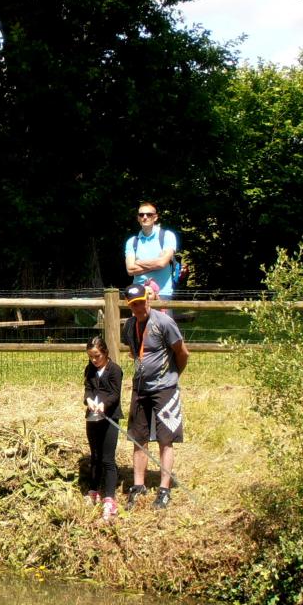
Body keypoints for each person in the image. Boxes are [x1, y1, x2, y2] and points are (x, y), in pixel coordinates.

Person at [121, 284, 188, 510]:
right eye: (133, 305)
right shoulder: (129, 326)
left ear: (148, 299)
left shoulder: (164, 322)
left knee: (165, 438)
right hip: (140, 389)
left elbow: (182, 352)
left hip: (164, 389)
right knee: (138, 438)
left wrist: (172, 376)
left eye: (141, 302)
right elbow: (133, 351)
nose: (138, 307)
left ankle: (164, 488)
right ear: (129, 306)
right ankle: (138, 486)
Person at [83, 336, 124, 523]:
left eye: (97, 356)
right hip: (92, 418)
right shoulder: (90, 369)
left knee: (107, 459)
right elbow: (88, 390)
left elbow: (115, 394)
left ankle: (109, 498)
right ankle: (93, 490)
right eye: (91, 356)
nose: (94, 360)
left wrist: (104, 405)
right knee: (95, 456)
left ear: (105, 353)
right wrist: (89, 400)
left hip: (109, 418)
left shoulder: (115, 370)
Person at [125, 201, 178, 299]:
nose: (145, 217)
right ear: (138, 218)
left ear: (155, 217)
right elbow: (130, 269)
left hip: (163, 293)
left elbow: (162, 263)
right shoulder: (132, 242)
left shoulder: (167, 236)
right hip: (138, 294)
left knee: (162, 315)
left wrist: (138, 262)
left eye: (149, 214)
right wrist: (157, 263)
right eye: (141, 215)